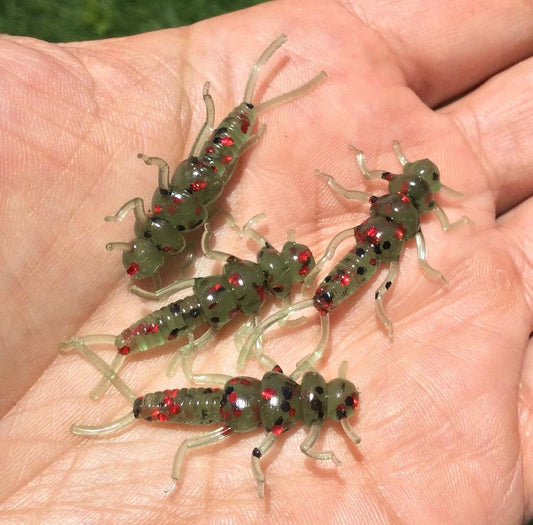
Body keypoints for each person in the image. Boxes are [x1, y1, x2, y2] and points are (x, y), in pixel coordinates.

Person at [1, 0, 532, 522]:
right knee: (187, 331)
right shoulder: (266, 316)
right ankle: (120, 366)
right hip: (218, 317)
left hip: (220, 318)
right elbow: (216, 256)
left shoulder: (268, 316)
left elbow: (216, 256)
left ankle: (122, 375)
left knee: (187, 335)